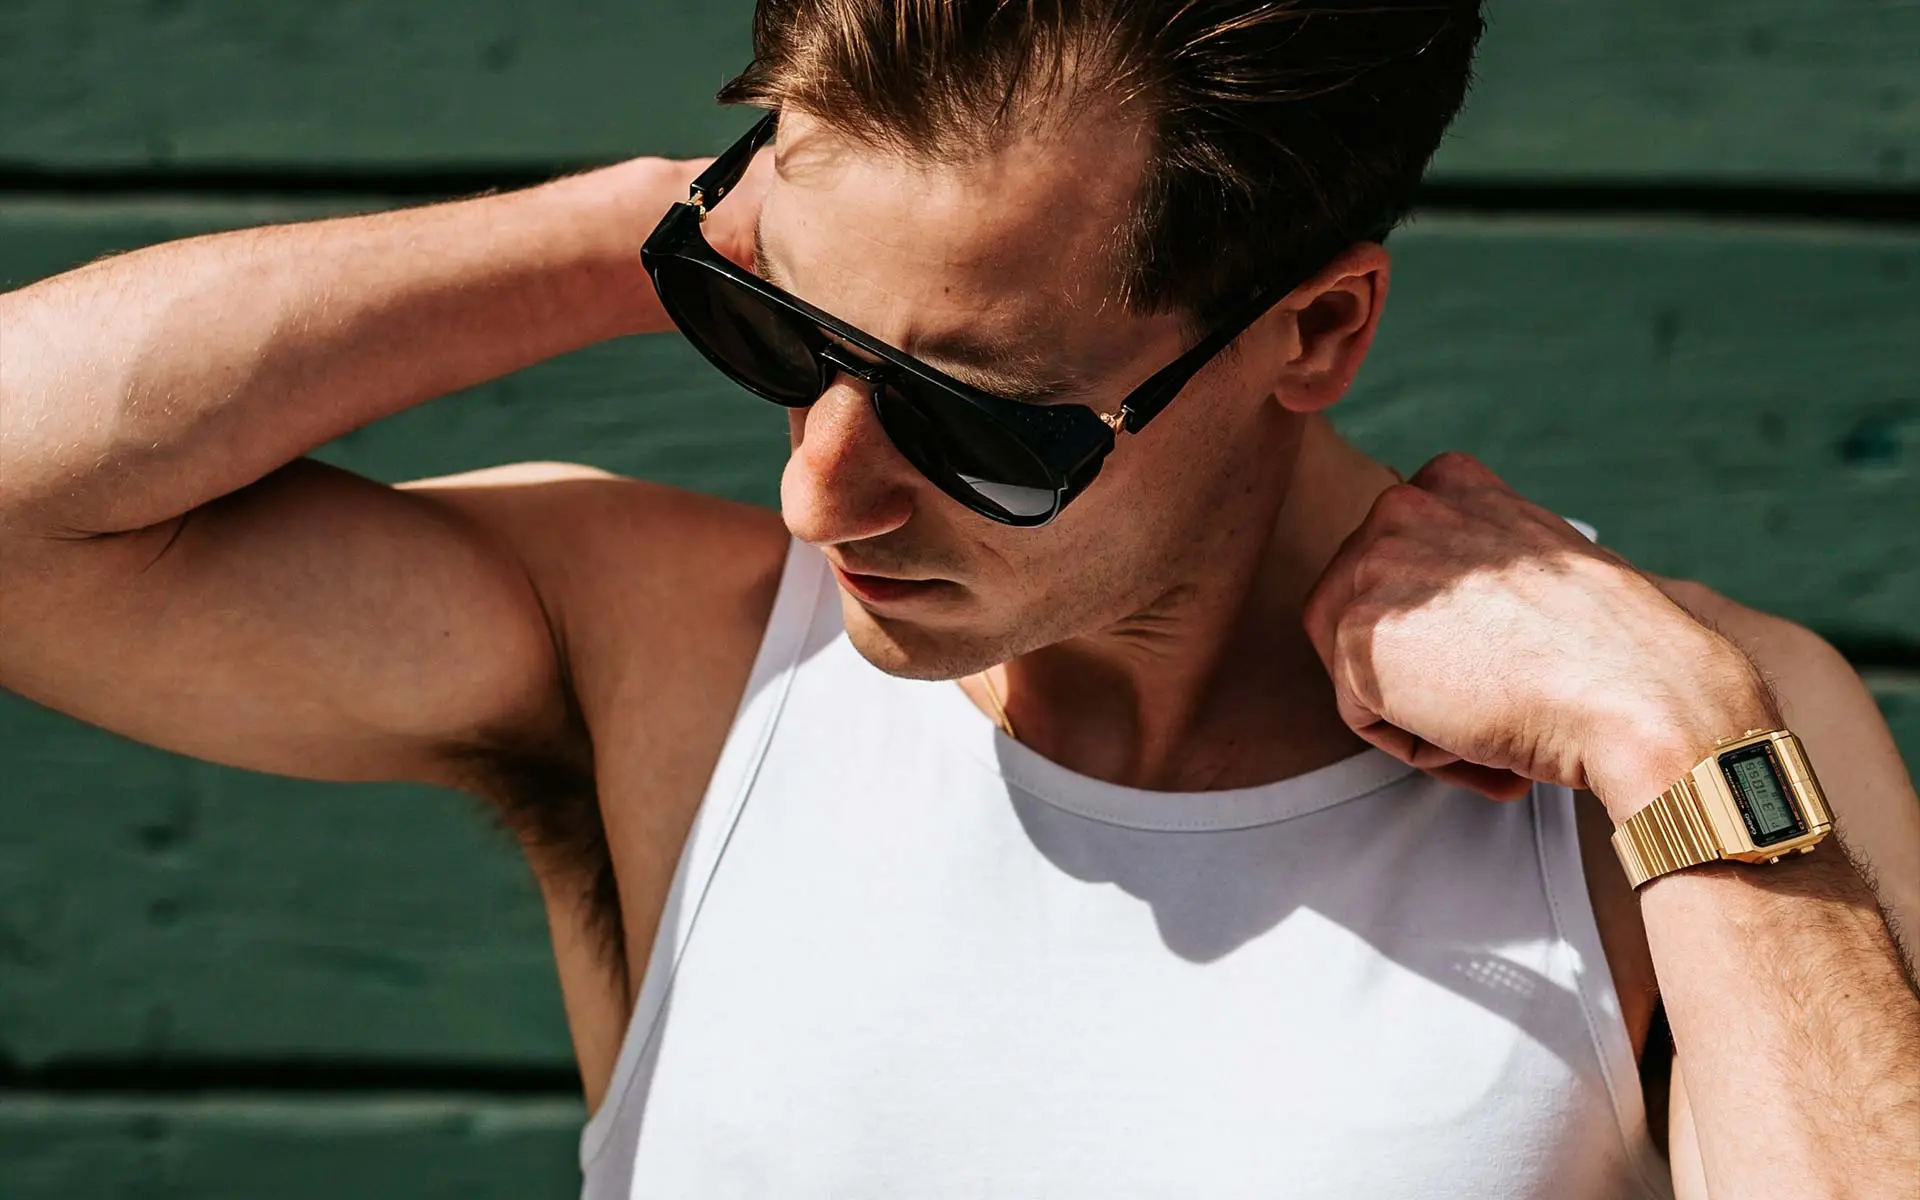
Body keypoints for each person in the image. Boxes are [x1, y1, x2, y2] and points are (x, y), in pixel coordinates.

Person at [2, 1, 1916, 1196]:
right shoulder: (684, 664)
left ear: (1317, 329)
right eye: (781, 332)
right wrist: (650, 231)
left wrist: (1680, 740)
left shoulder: (1685, 760)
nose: (819, 488)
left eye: (973, 414)